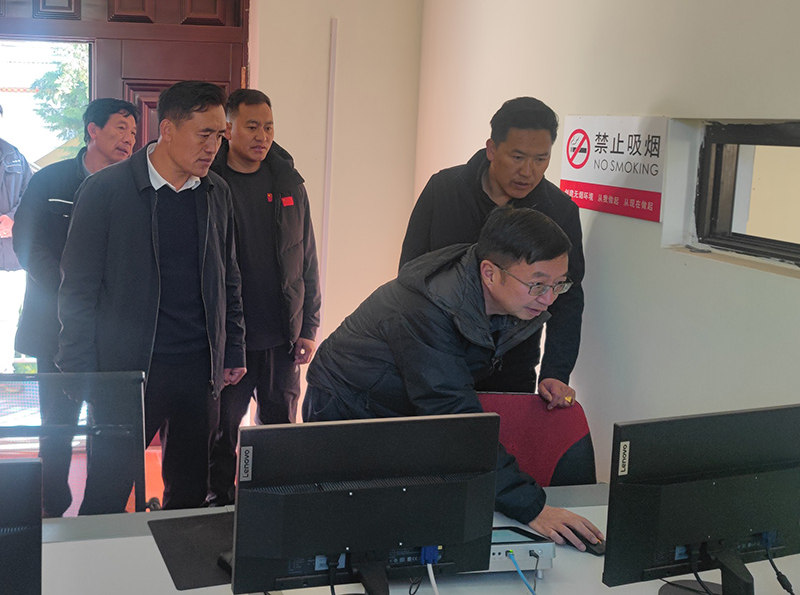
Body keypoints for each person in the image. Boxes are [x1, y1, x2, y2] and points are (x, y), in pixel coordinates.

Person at [305, 206, 603, 550]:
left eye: (558, 284)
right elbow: (455, 415)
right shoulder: (427, 309)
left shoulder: (499, 290)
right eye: (537, 284)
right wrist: (532, 508)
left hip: (402, 404)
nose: (549, 298)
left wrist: (552, 374)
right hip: (347, 409)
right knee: (358, 531)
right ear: (490, 273)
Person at [56, 81, 246, 514]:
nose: (213, 147)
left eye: (219, 136)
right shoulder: (106, 190)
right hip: (128, 371)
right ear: (168, 129)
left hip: (199, 370)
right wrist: (78, 369)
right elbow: (77, 289)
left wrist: (232, 347)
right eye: (204, 134)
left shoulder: (216, 192)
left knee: (190, 496)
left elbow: (229, 277)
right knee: (106, 493)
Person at [399, 97, 584, 409]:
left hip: (511, 364)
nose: (528, 171)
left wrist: (555, 372)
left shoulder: (560, 210)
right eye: (517, 157)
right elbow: (410, 274)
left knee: (502, 437)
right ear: (492, 149)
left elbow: (568, 297)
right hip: (436, 354)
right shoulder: (444, 189)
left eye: (541, 159)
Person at [13, 98, 139, 517]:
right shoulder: (51, 180)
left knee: (110, 425)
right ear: (93, 130)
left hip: (112, 328)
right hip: (53, 325)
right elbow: (27, 244)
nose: (129, 138)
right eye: (120, 128)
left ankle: (100, 512)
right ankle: (52, 506)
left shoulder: (131, 187)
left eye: (133, 132)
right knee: (57, 425)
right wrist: (70, 291)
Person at [206, 89, 320, 506]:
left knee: (279, 433)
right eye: (252, 126)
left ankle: (272, 507)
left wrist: (309, 325)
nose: (262, 136)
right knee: (220, 433)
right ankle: (218, 505)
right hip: (229, 341)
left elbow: (307, 257)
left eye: (269, 127)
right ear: (228, 129)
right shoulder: (209, 182)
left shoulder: (288, 181)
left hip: (281, 338)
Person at [0, 102, 34, 373]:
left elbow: (31, 196)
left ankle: (2, 373)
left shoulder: (14, 156)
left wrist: (13, 219)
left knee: (6, 317)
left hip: (8, 255)